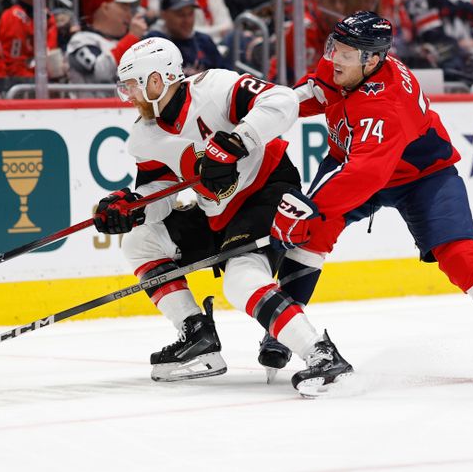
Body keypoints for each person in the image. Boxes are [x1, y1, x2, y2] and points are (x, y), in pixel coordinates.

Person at [270, 10, 473, 385]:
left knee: (461, 255)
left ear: (373, 59)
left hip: (422, 177)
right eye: (335, 47)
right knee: (312, 233)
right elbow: (317, 90)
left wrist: (308, 207)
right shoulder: (352, 63)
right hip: (357, 160)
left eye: (346, 52)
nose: (335, 57)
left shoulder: (387, 104)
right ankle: (287, 326)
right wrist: (262, 110)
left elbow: (364, 175)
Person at [93, 37, 352, 396]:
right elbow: (160, 195)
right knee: (140, 241)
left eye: (133, 85)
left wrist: (236, 141)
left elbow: (282, 101)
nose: (130, 96)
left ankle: (321, 354)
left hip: (267, 190)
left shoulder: (215, 87)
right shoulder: (144, 135)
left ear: (157, 80)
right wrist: (133, 208)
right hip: (216, 211)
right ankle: (196, 332)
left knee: (241, 280)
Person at [65, 0, 145, 92]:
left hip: (124, 107)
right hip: (90, 107)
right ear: (105, 8)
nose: (129, 15)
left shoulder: (128, 42)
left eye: (130, 9)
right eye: (124, 8)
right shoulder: (80, 40)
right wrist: (132, 37)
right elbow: (100, 73)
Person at [0, 0, 58, 79]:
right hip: (21, 84)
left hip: (44, 80)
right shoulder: (12, 17)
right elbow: (12, 64)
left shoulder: (48, 16)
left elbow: (50, 54)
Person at [146, 0, 227, 75]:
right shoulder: (154, 42)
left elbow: (226, 75)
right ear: (164, 15)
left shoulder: (204, 40)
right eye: (180, 15)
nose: (187, 20)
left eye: (190, 14)